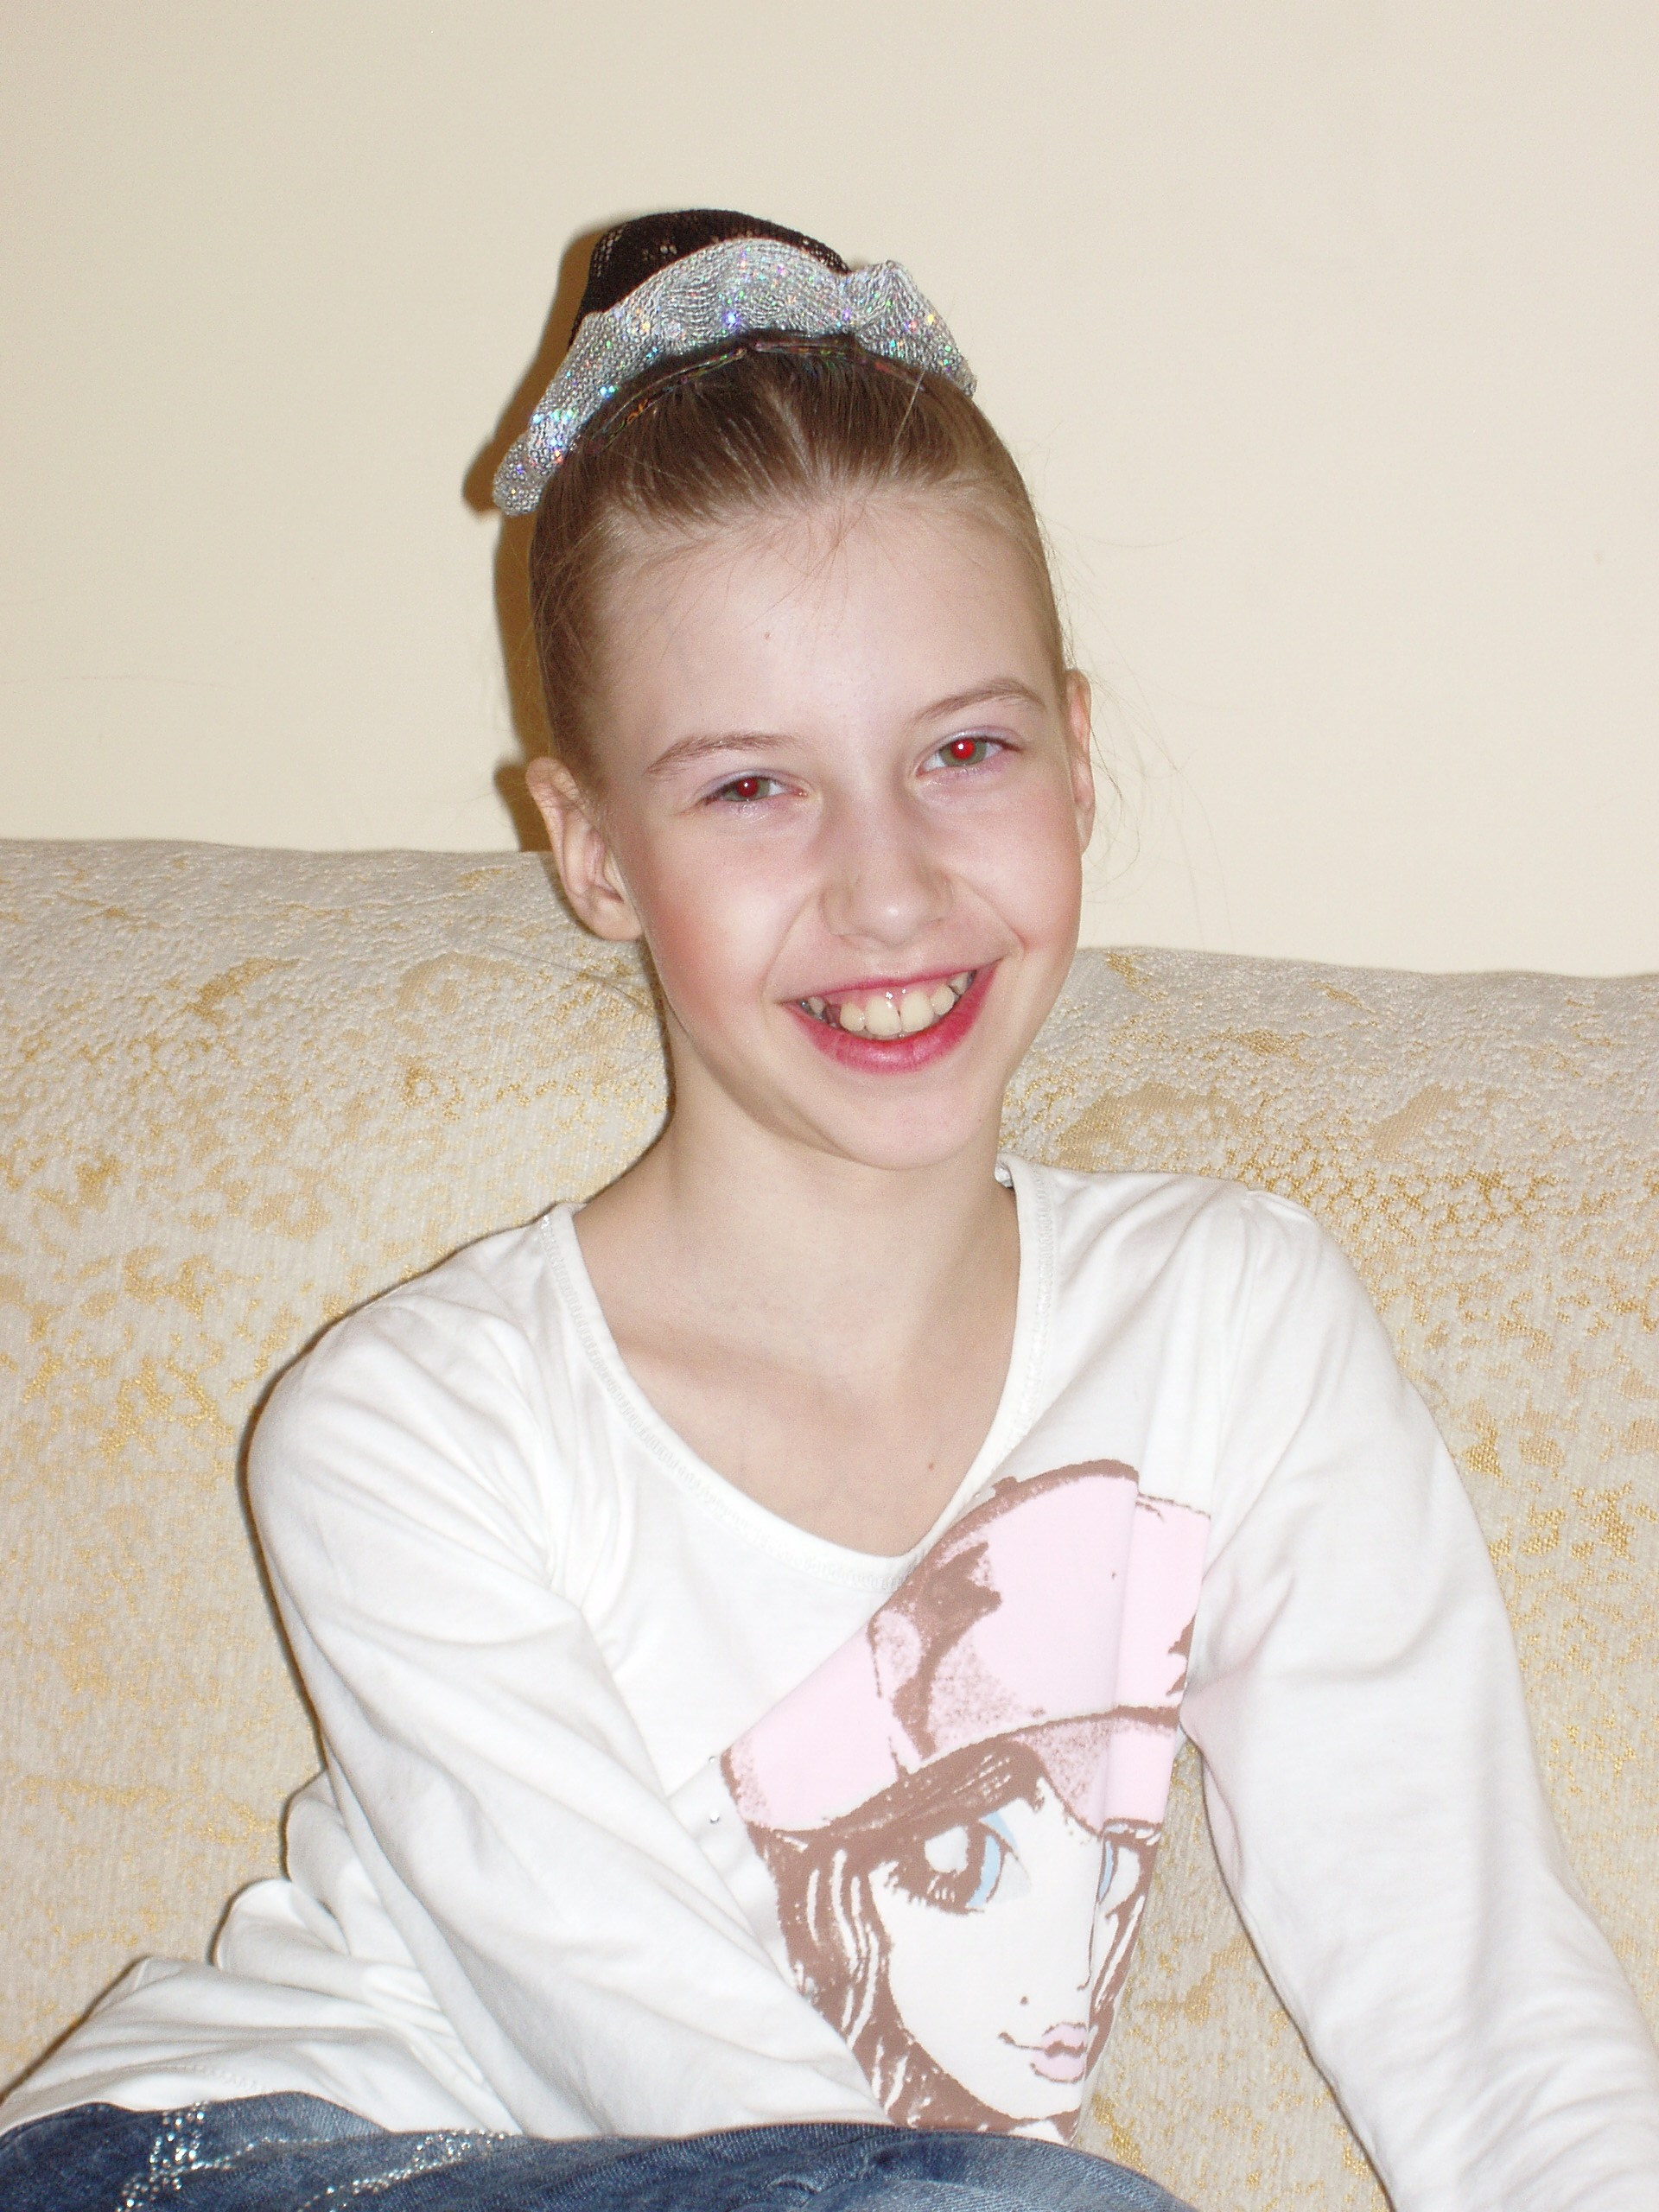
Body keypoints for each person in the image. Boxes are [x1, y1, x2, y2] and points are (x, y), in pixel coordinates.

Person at [1, 208, 1656, 2211]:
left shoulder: (1235, 1326)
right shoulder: (412, 1427)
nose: (888, 889)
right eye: (751, 789)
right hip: (236, 2160)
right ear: (591, 849)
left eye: (963, 749)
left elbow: (1477, 1995)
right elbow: (688, 2075)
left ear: (1076, 759)